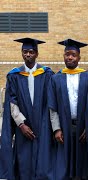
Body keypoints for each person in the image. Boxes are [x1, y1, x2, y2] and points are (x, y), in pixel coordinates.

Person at [0, 38, 55, 179]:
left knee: (43, 163)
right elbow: (12, 102)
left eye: (31, 52)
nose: (28, 55)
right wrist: (21, 124)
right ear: (21, 53)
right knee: (24, 163)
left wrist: (48, 125)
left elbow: (51, 101)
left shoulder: (47, 74)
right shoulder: (14, 75)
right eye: (25, 52)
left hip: (43, 125)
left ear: (37, 54)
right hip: (23, 128)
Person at [48, 39, 88, 179]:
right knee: (65, 164)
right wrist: (56, 129)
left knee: (82, 163)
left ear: (79, 57)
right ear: (63, 56)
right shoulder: (56, 78)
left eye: (73, 54)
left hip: (83, 127)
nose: (70, 57)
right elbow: (52, 106)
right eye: (67, 54)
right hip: (64, 127)